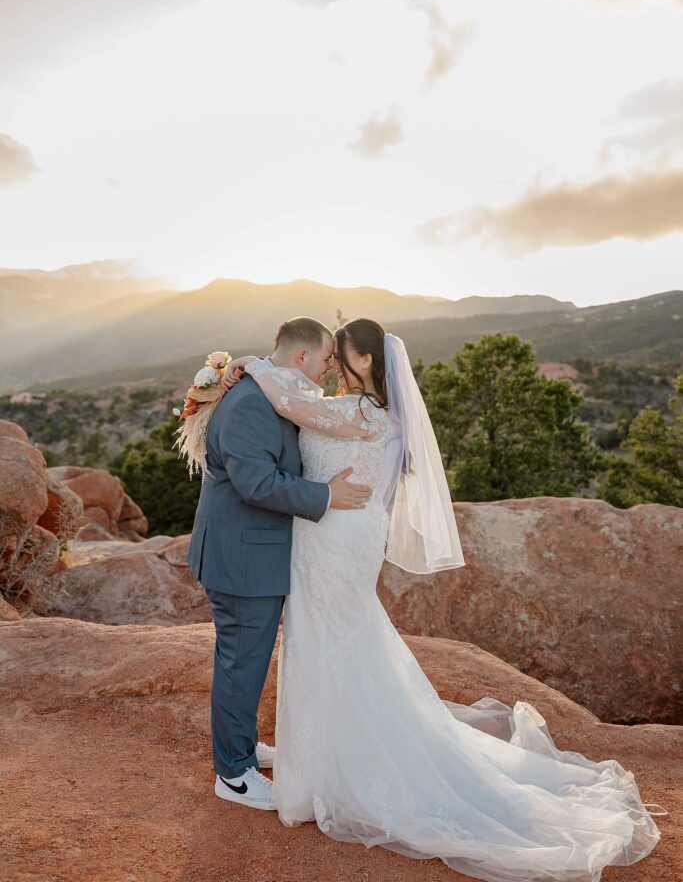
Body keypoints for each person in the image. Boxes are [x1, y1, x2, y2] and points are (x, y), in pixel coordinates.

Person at [220, 317, 667, 882]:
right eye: (326, 356)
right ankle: (320, 760)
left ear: (362, 362)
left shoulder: (359, 414)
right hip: (345, 536)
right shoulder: (384, 414)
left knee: (326, 640)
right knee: (339, 640)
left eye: (340, 356)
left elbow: (290, 406)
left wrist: (248, 367)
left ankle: (327, 772)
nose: (331, 365)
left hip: (332, 538)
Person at [184, 317, 376, 811]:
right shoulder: (251, 403)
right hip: (241, 557)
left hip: (251, 552)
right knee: (240, 664)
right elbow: (258, 485)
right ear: (301, 358)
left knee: (246, 660)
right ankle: (233, 773)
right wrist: (326, 495)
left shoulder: (267, 387)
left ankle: (242, 748)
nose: (330, 366)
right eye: (327, 357)